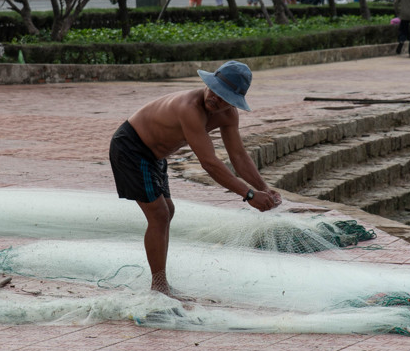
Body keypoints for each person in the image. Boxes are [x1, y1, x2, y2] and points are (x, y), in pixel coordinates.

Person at [109, 61, 282, 295]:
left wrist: (264, 187)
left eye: (224, 97)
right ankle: (158, 286)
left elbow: (238, 155)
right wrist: (249, 194)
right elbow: (209, 163)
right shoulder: (189, 108)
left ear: (233, 102)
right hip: (131, 147)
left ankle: (161, 281)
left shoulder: (228, 115)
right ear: (207, 83)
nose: (215, 99)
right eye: (214, 90)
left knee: (167, 211)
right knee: (159, 215)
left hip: (154, 155)